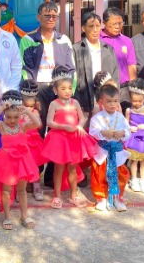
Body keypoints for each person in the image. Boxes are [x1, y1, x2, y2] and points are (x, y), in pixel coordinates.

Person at [0, 90, 41, 230]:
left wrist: (27, 111)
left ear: (20, 116)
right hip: (7, 162)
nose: (12, 120)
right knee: (6, 190)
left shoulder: (23, 126)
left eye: (16, 117)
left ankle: (24, 216)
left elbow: (37, 123)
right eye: (9, 117)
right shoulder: (2, 126)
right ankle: (7, 217)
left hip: (22, 162)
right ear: (4, 115)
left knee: (22, 190)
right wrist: (1, 108)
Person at [41, 66, 97, 209]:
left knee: (73, 168)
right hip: (60, 140)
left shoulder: (75, 102)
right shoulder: (54, 104)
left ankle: (73, 195)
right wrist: (64, 127)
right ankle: (57, 195)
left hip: (73, 139)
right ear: (56, 90)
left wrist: (79, 126)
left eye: (69, 88)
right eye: (63, 88)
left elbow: (82, 117)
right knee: (58, 168)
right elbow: (49, 122)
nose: (67, 91)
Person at [20, 1, 76, 123]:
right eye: (47, 16)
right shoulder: (28, 40)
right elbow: (26, 70)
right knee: (39, 123)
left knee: (59, 124)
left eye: (54, 16)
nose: (51, 19)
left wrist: (70, 91)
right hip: (38, 88)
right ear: (38, 17)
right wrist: (32, 95)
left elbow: (71, 68)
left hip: (60, 88)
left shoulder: (64, 40)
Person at [89, 84, 131, 212]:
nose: (112, 104)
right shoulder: (97, 118)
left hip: (117, 152)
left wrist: (123, 133)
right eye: (108, 101)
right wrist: (102, 133)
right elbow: (92, 132)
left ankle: (117, 198)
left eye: (115, 101)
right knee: (100, 175)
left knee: (120, 175)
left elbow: (128, 131)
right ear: (101, 102)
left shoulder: (121, 117)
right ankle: (101, 199)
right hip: (103, 152)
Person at [73, 12, 120, 117]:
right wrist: (77, 101)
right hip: (85, 96)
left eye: (98, 26)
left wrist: (116, 97)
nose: (95, 30)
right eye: (91, 26)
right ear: (83, 28)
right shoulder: (76, 49)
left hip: (106, 94)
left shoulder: (108, 49)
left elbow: (116, 73)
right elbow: (74, 78)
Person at [99, 8, 137, 107]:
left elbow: (131, 65)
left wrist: (133, 90)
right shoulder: (97, 39)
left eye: (120, 23)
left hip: (124, 89)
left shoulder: (127, 41)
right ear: (104, 23)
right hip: (103, 88)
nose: (118, 27)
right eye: (114, 24)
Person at [19, 79, 46, 200]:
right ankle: (21, 189)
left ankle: (36, 187)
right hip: (22, 142)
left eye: (32, 98)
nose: (30, 100)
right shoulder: (18, 110)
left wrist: (29, 114)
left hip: (33, 142)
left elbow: (39, 125)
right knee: (21, 165)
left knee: (34, 165)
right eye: (27, 98)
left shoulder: (34, 111)